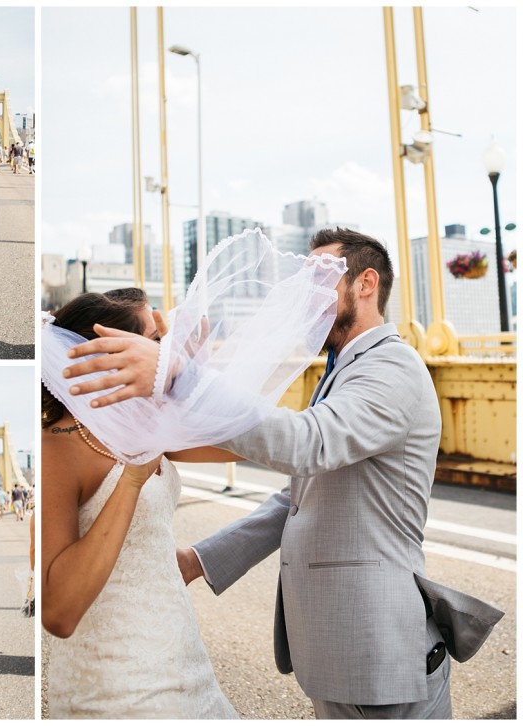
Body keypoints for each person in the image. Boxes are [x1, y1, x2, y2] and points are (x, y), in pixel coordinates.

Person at [62, 228, 504, 719]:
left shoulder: (391, 367)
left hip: (377, 644)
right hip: (343, 647)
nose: (303, 293)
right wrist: (201, 559)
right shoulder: (341, 369)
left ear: (365, 283)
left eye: (319, 278)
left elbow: (305, 445)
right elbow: (296, 497)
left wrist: (183, 376)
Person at [43, 290, 237, 719]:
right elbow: (59, 612)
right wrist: (132, 477)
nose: (165, 350)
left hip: (184, 665)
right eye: (155, 339)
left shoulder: (148, 422)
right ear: (112, 353)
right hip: (117, 689)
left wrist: (190, 378)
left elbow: (249, 443)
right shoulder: (56, 447)